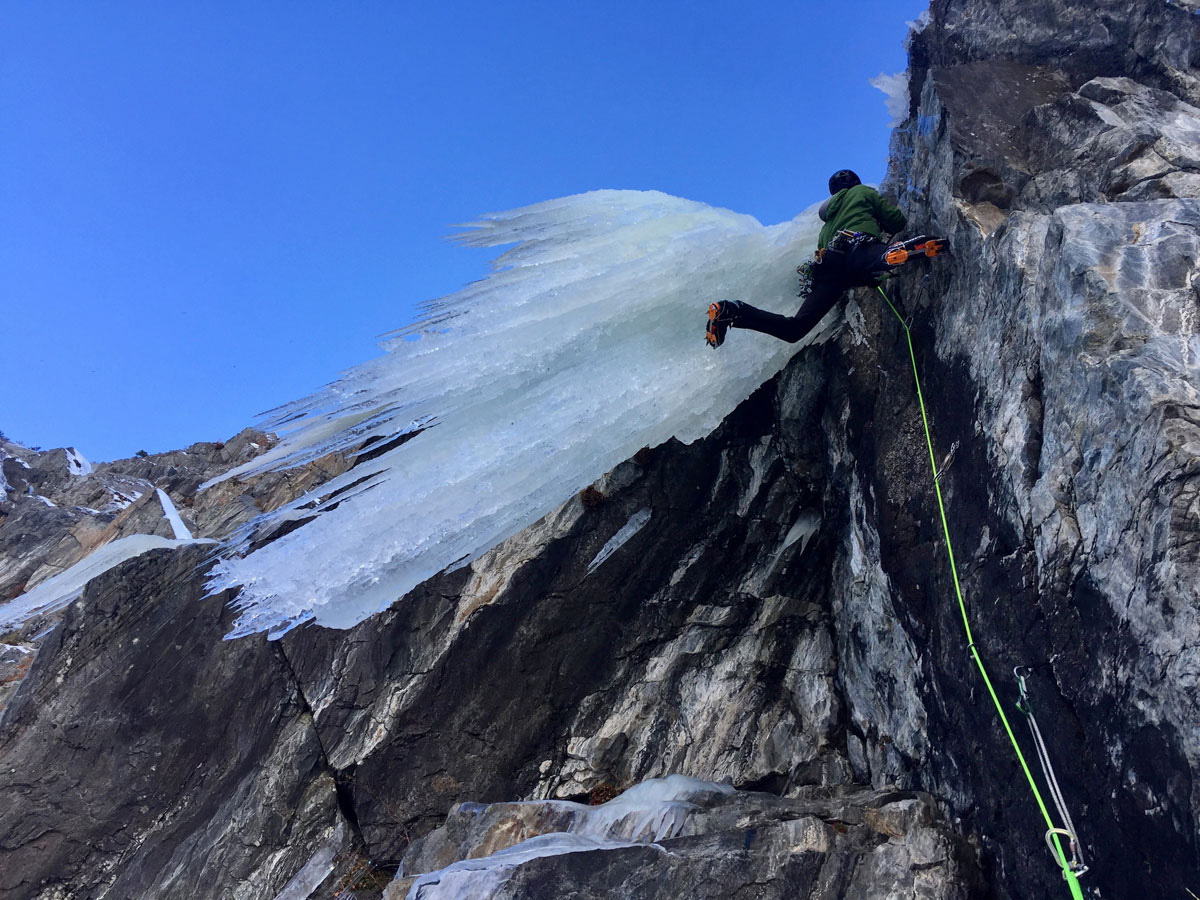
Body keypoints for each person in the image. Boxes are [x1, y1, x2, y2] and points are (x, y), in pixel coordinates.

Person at [705, 169, 944, 348]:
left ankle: (733, 311)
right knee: (873, 257)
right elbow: (896, 220)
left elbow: (838, 265)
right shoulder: (862, 192)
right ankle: (890, 254)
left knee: (794, 330)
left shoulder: (826, 225)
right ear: (854, 183)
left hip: (828, 269)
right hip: (856, 249)